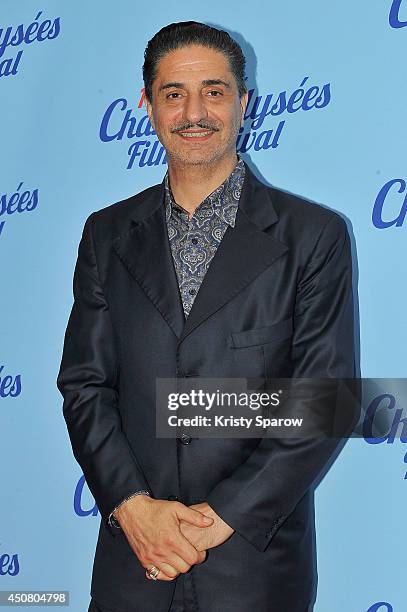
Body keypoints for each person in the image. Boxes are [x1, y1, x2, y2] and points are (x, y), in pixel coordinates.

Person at [57, 21, 356, 612]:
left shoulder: (314, 236)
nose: (195, 112)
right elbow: (85, 385)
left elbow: (325, 399)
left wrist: (221, 519)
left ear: (244, 104)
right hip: (133, 564)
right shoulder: (106, 235)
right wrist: (132, 509)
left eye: (214, 92)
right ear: (147, 105)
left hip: (254, 567)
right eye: (174, 93)